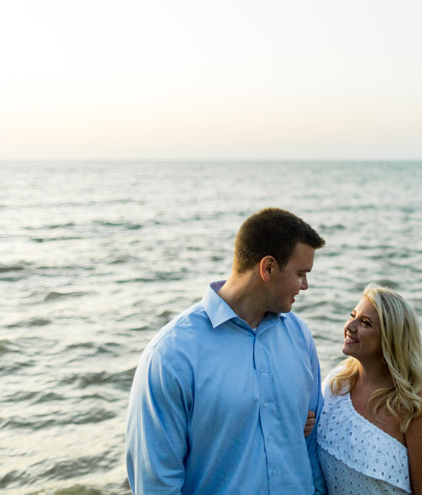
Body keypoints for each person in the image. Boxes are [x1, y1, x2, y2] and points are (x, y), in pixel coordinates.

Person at [126, 208, 328, 494]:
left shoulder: (299, 336)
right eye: (300, 274)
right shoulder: (171, 355)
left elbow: (310, 449)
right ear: (268, 267)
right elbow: (156, 479)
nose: (305, 286)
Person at [317, 284, 422, 494]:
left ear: (390, 339)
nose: (350, 326)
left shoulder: (415, 407)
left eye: (365, 323)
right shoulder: (336, 384)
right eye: (353, 315)